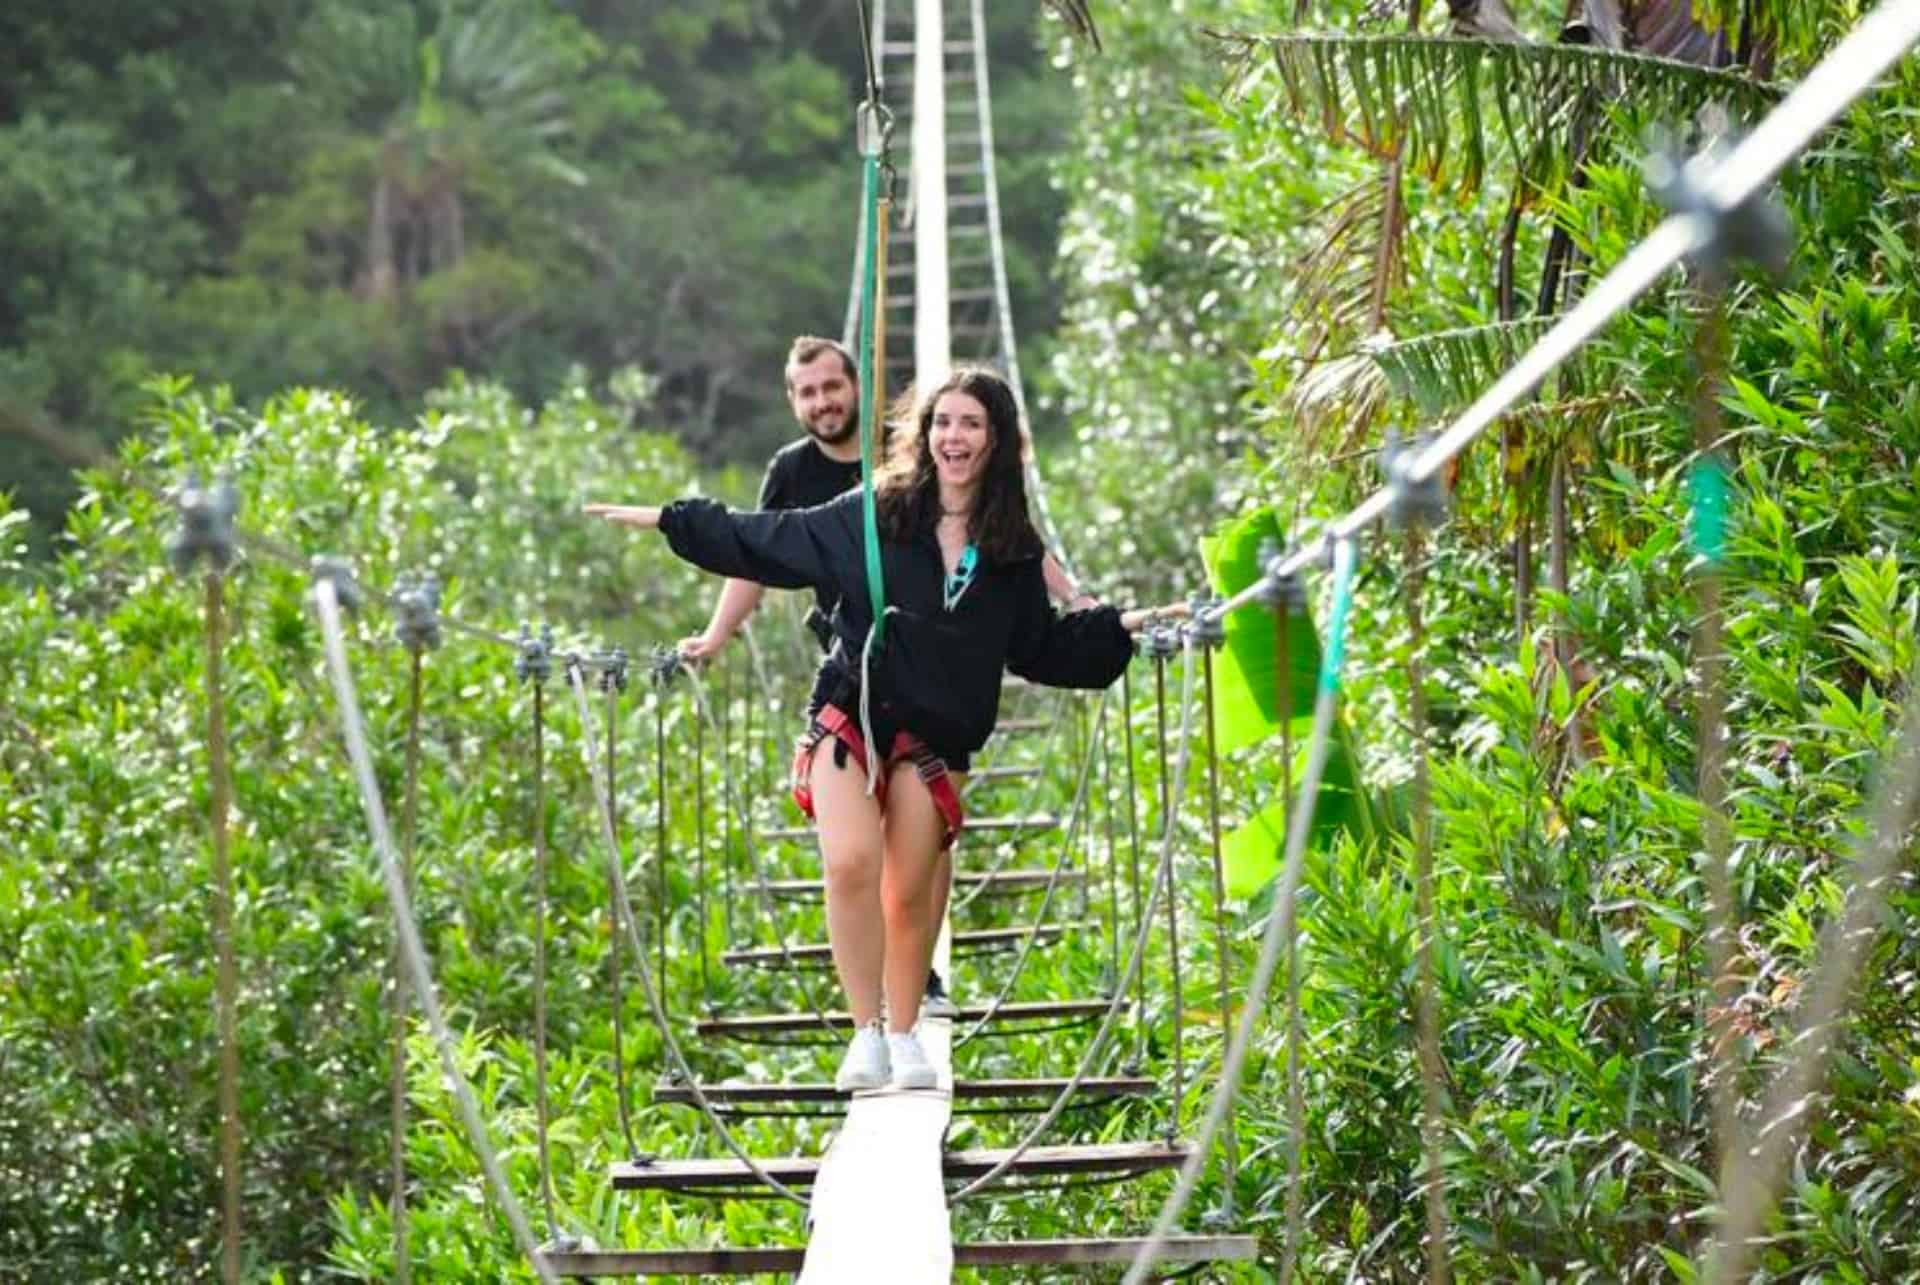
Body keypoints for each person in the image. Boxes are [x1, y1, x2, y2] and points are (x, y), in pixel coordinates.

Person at [587, 367, 1169, 1091]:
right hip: (854, 707)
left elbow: (1037, 648)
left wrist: (1117, 628)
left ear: (994, 441)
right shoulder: (876, 512)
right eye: (942, 422)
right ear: (925, 436)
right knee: (852, 863)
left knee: (908, 887)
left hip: (937, 728)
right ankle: (867, 1032)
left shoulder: (1012, 549)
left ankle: (904, 1032)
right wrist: (674, 519)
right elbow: (773, 539)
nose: (953, 437)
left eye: (971, 424)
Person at [681, 335, 1091, 1020]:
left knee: (916, 853)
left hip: (939, 676)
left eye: (831, 387)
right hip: (853, 672)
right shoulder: (793, 469)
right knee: (855, 856)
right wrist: (719, 632)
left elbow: (1003, 532)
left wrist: (1073, 598)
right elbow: (762, 548)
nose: (822, 402)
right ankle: (872, 1019)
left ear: (857, 388)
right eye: (807, 393)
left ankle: (915, 978)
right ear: (793, 401)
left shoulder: (914, 447)